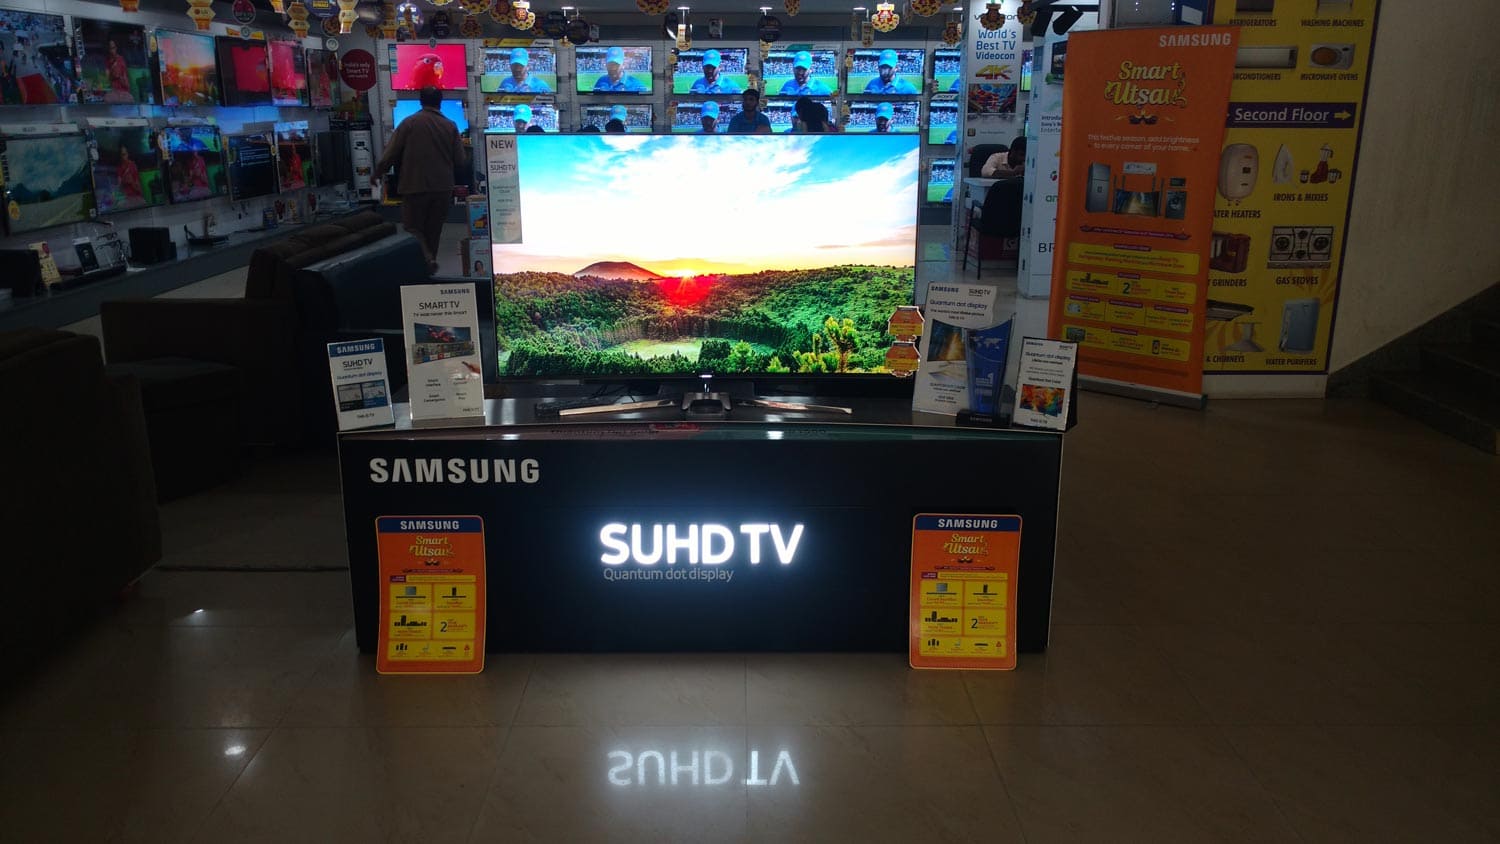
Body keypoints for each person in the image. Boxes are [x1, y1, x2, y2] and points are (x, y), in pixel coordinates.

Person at [373, 85, 465, 273]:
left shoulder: (408, 123)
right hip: (442, 188)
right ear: (440, 102)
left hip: (414, 185)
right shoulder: (451, 126)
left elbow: (390, 153)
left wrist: (378, 173)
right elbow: (461, 160)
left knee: (413, 228)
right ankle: (429, 266)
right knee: (434, 229)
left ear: (420, 101)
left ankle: (426, 260)